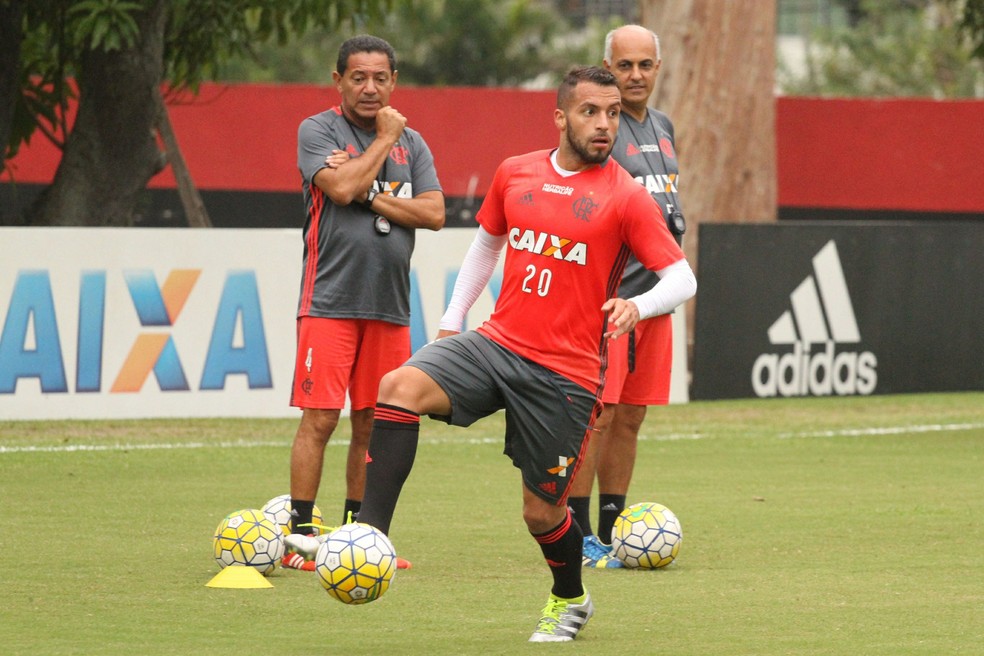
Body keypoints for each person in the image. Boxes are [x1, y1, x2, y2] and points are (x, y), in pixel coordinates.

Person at [358, 66, 695, 641]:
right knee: (397, 388)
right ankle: (369, 537)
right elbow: (486, 245)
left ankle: (569, 598)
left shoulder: (627, 197)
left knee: (541, 515)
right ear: (561, 117)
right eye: (591, 111)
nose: (605, 124)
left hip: (566, 373)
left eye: (613, 113)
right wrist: (450, 321)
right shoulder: (516, 172)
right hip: (497, 343)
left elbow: (681, 278)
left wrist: (639, 306)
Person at [283, 34, 445, 570]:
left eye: (380, 78)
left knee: (374, 424)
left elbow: (434, 214)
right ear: (339, 80)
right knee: (320, 420)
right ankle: (302, 536)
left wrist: (370, 191)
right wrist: (381, 143)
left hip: (389, 306)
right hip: (329, 300)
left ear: (393, 81)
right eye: (359, 77)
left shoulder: (414, 144)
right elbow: (339, 189)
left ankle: (360, 535)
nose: (370, 87)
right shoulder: (318, 130)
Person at [567, 25, 688, 568]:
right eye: (624, 65)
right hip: (611, 302)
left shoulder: (662, 126)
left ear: (658, 68)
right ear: (606, 66)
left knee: (633, 417)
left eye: (645, 65)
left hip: (656, 299)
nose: (635, 75)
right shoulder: (602, 129)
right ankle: (580, 531)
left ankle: (616, 531)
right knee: (599, 417)